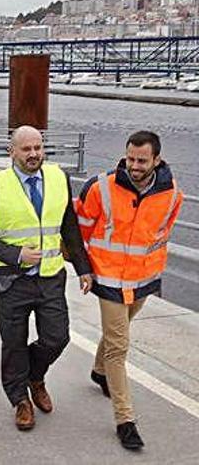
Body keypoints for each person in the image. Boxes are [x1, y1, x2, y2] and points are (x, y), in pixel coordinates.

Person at [0, 125, 93, 432]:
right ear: (12, 152)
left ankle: (34, 376)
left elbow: (69, 227)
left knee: (57, 337)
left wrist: (83, 267)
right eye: (26, 149)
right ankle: (20, 401)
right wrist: (15, 255)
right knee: (13, 344)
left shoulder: (58, 178)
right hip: (10, 281)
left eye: (38, 147)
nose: (34, 154)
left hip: (50, 278)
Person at [75, 131, 182, 450]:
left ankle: (98, 371)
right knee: (119, 347)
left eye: (142, 160)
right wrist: (84, 269)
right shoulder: (101, 187)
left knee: (117, 332)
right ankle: (125, 420)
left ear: (156, 160)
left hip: (144, 279)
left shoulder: (173, 194)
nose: (134, 165)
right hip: (108, 279)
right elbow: (78, 228)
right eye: (130, 158)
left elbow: (161, 234)